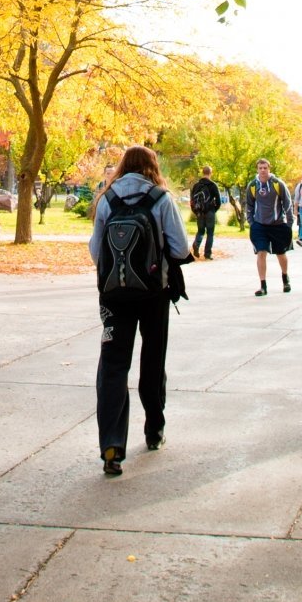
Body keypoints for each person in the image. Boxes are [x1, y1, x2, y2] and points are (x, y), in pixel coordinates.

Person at [90, 145, 190, 476]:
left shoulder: (107, 199)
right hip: (153, 293)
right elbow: (180, 247)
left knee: (114, 366)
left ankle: (112, 446)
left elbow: (96, 251)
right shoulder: (160, 198)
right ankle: (154, 430)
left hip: (114, 295)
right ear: (151, 166)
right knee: (152, 359)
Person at [244, 158, 294, 296]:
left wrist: (289, 224)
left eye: (265, 168)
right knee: (261, 252)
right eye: (260, 168)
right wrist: (251, 222)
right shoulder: (253, 186)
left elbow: (287, 203)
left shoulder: (278, 184)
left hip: (277, 224)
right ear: (257, 169)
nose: (263, 170)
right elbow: (249, 205)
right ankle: (263, 285)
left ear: (269, 169)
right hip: (259, 225)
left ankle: (285, 278)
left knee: (281, 253)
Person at [187, 165, 223, 261]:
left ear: (203, 173)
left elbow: (192, 201)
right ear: (210, 173)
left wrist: (196, 211)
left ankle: (196, 244)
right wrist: (214, 210)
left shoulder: (196, 185)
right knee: (210, 233)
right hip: (210, 211)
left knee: (200, 231)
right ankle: (207, 254)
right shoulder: (213, 185)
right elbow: (219, 201)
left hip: (199, 212)